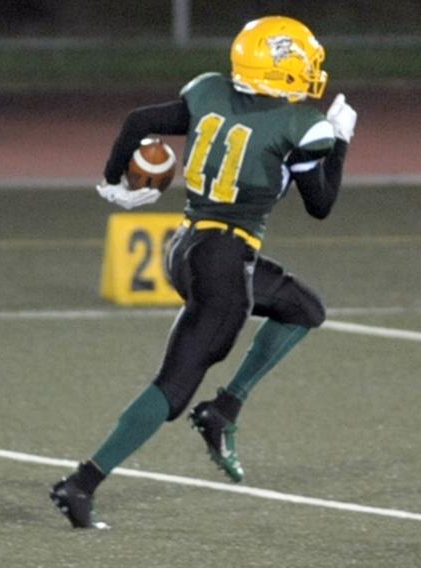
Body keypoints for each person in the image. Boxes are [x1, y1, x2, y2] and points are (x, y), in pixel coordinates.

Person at [50, 16, 358, 529]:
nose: (308, 69)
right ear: (279, 69)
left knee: (304, 309)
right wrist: (342, 141)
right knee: (173, 388)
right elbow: (321, 204)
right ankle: (81, 484)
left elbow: (135, 122)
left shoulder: (209, 90)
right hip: (223, 259)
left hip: (187, 245)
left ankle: (224, 410)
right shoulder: (302, 125)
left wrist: (115, 183)